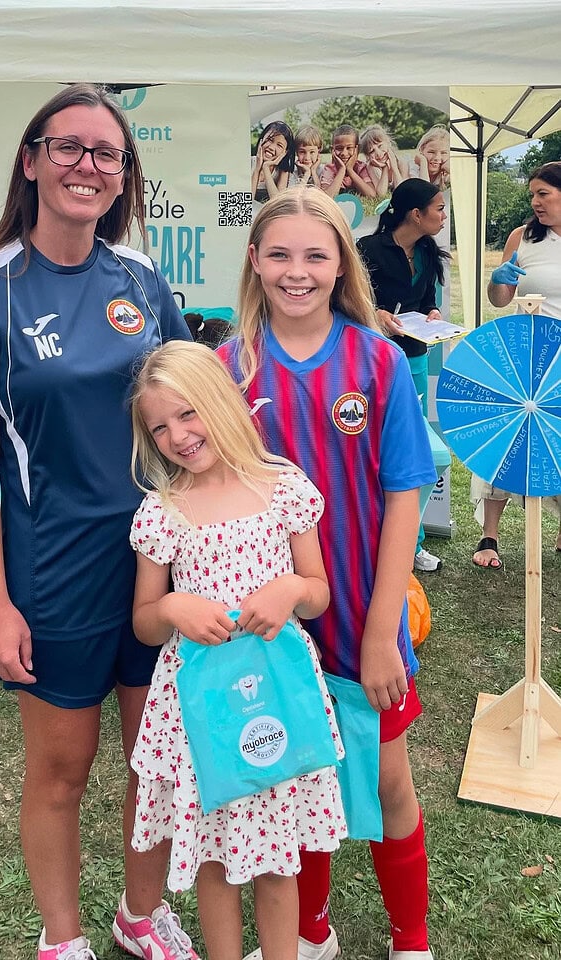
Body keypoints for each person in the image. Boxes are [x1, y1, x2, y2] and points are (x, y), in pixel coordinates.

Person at [0, 84, 193, 960]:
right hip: (52, 570)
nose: (89, 166)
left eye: (107, 154)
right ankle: (63, 938)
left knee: (154, 764)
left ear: (125, 176)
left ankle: (140, 913)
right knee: (59, 772)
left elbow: (187, 414)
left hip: (157, 564)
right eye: (70, 147)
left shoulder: (143, 279)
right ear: (31, 160)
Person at [218, 187, 438, 960]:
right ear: (253, 261)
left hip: (359, 615)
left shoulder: (375, 359)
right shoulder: (227, 366)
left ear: (341, 263)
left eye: (316, 254)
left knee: (385, 783)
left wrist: (383, 630)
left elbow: (403, 493)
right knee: (294, 780)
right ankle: (309, 933)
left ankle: (410, 941)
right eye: (278, 253)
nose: (297, 271)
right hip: (272, 623)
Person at [128, 340, 347, 960]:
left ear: (223, 402)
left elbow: (318, 593)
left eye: (188, 413)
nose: (178, 435)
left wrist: (290, 590)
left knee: (278, 860)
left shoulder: (283, 489)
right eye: (160, 426)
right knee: (214, 859)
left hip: (275, 696)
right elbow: (144, 621)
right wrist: (172, 606)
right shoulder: (162, 511)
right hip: (200, 708)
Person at [472, 160, 561, 569]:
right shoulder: (522, 237)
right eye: (532, 195)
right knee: (510, 441)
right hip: (527, 357)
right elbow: (499, 299)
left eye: (543, 193)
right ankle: (490, 536)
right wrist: (499, 278)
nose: (535, 201)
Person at [357, 178, 449, 573]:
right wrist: (374, 314)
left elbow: (427, 300)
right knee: (377, 452)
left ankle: (411, 544)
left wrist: (432, 315)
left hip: (413, 356)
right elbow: (349, 300)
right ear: (416, 214)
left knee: (415, 453)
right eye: (439, 209)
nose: (444, 216)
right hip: (373, 361)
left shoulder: (429, 252)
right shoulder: (368, 249)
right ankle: (373, 538)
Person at [319, 124, 376, 199]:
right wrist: (341, 170)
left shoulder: (360, 167)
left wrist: (350, 170)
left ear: (357, 150)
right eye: (339, 148)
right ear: (332, 150)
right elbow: (326, 198)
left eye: (349, 148)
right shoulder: (329, 169)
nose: (344, 153)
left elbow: (372, 195)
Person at [252, 121, 296, 203]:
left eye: (279, 145)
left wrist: (266, 168)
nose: (272, 147)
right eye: (269, 140)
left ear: (285, 152)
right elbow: (244, 203)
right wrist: (257, 169)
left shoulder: (282, 171)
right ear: (262, 139)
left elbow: (277, 203)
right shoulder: (249, 163)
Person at [359, 125, 409, 198]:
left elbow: (402, 190)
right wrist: (384, 168)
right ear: (368, 156)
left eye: (380, 146)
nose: (378, 153)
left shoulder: (401, 162)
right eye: (372, 151)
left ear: (388, 143)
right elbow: (381, 194)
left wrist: (394, 167)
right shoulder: (371, 167)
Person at [411, 126, 449, 190]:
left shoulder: (445, 173)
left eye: (443, 153)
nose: (437, 157)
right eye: (431, 152)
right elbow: (425, 190)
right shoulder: (413, 169)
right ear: (421, 150)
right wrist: (423, 162)